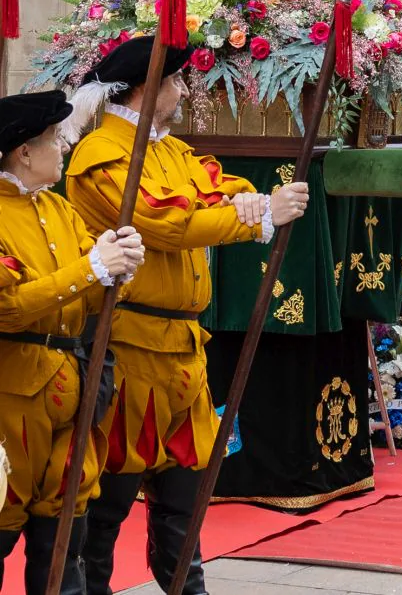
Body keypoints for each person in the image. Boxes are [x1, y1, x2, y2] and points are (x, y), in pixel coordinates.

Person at [64, 38, 310, 594]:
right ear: (146, 90)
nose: (183, 90)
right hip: (127, 350)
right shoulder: (101, 156)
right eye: (175, 81)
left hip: (182, 353)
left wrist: (248, 201)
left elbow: (220, 185)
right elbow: (166, 221)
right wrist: (254, 217)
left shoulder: (171, 151)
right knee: (108, 504)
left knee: (184, 499)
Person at [0, 91, 147, 595]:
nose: (64, 148)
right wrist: (90, 270)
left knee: (64, 529)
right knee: (2, 517)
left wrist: (117, 265)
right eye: (55, 139)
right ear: (23, 151)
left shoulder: (59, 208)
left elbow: (89, 282)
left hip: (73, 387)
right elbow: (9, 307)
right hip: (12, 399)